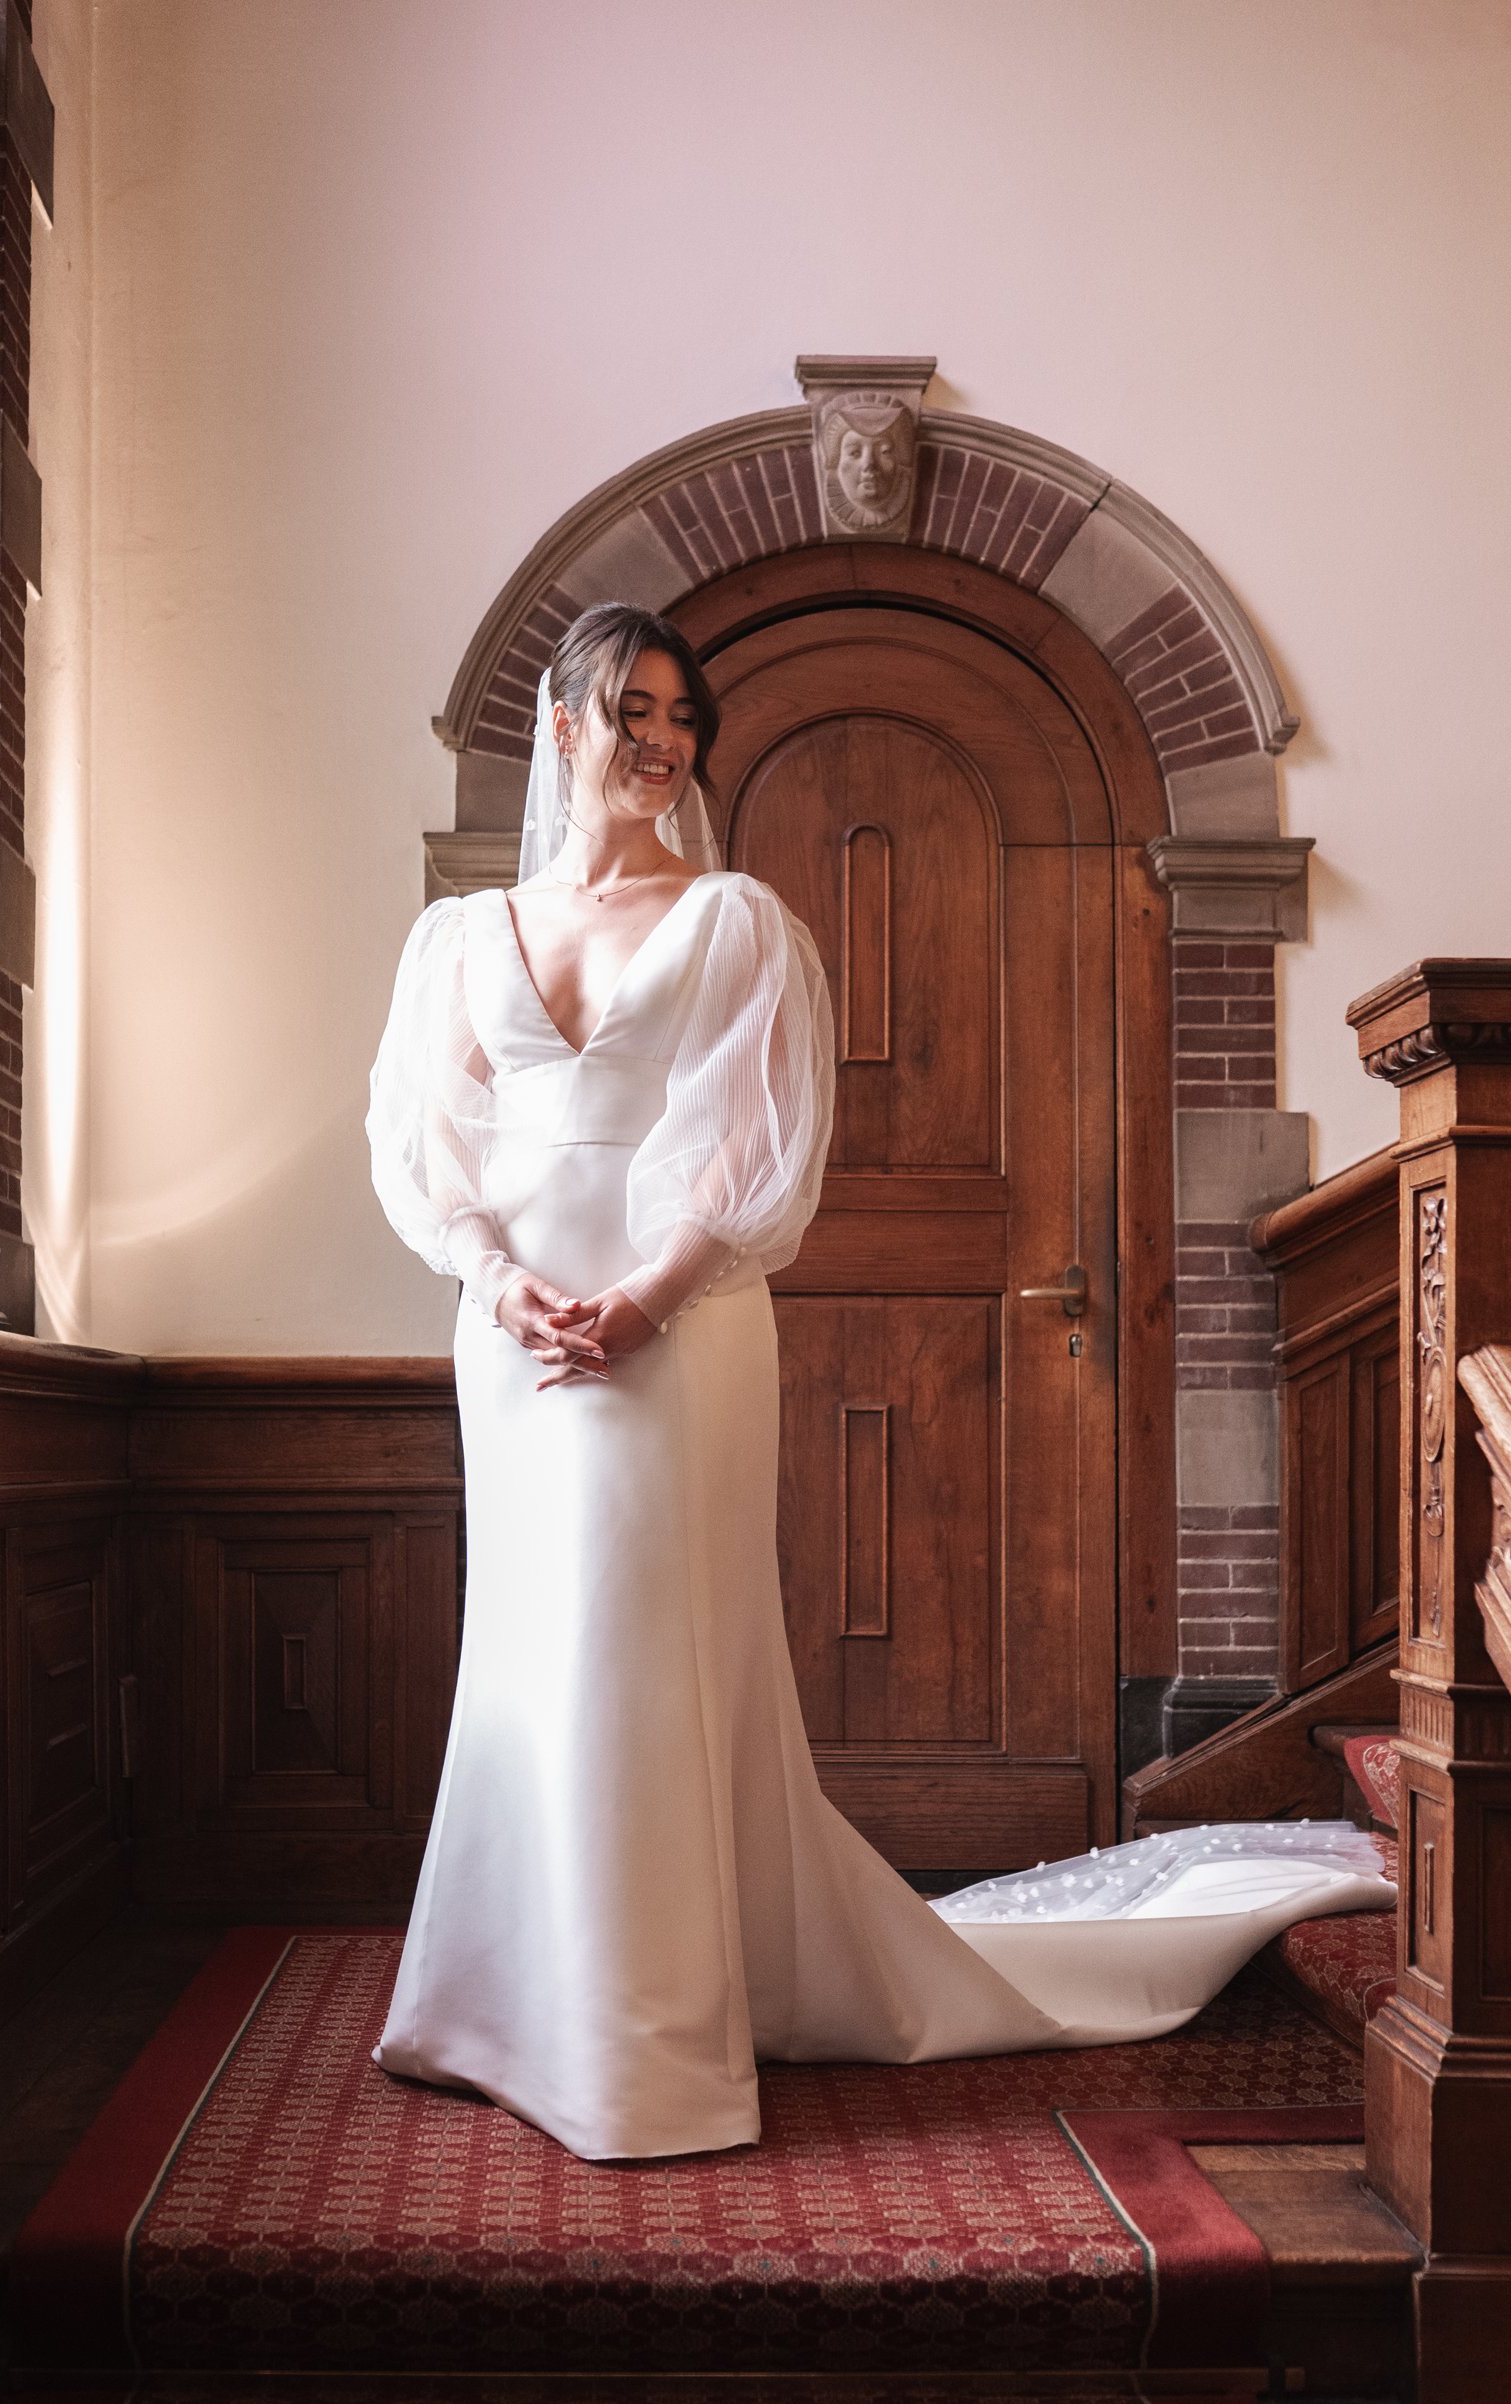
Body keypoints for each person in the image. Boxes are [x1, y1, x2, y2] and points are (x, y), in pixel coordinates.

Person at [365, 599, 1392, 2164]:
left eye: (682, 717)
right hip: (512, 1344)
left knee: (641, 1652)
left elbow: (754, 1148)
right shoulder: (458, 939)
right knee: (528, 1651)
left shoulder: (733, 922)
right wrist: (503, 1288)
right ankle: (498, 2005)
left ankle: (642, 2040)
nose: (662, 742)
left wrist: (641, 1302)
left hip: (675, 1333)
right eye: (631, 712)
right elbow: (427, 1145)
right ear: (562, 726)